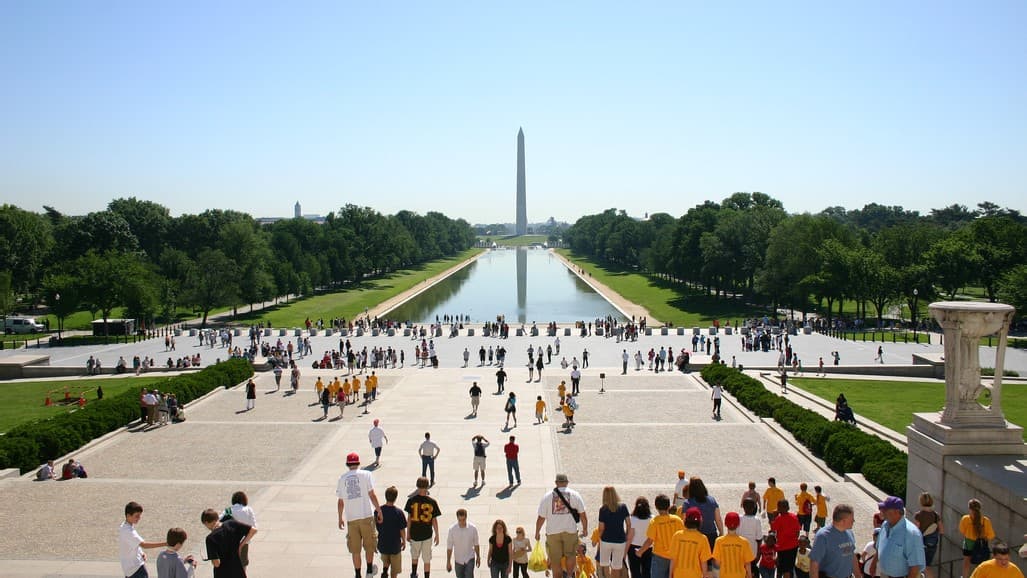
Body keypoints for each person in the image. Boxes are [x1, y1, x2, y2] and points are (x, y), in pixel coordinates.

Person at [338, 452, 385, 578]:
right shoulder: (366, 474)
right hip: (366, 516)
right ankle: (369, 571)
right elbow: (372, 495)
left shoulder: (342, 478)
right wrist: (379, 510)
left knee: (355, 550)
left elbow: (340, 501)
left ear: (347, 464)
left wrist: (340, 518)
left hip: (352, 519)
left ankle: (358, 574)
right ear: (358, 463)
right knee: (369, 546)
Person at [536, 474, 589, 578]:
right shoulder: (575, 495)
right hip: (570, 531)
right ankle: (569, 575)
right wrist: (585, 529)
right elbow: (583, 515)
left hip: (553, 532)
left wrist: (537, 532)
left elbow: (541, 517)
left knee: (555, 558)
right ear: (567, 482)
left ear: (556, 483)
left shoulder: (547, 496)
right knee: (570, 554)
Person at [874, 496, 925, 578]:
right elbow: (880, 546)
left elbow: (915, 567)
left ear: (897, 512)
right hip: (884, 574)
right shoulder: (885, 524)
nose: (882, 511)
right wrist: (873, 563)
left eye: (885, 509)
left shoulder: (912, 534)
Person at [808, 504, 860, 578]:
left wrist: (858, 575)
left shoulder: (849, 532)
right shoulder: (823, 536)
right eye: (852, 519)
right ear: (843, 521)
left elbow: (852, 555)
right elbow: (814, 563)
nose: (854, 521)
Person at [201, 507, 255, 578]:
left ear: (206, 522)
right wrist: (241, 545)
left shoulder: (210, 538)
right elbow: (253, 530)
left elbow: (216, 563)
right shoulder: (231, 523)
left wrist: (211, 558)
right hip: (237, 570)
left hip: (223, 574)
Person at [638, 494, 683, 578]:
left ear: (656, 507)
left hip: (660, 556)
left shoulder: (655, 521)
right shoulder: (677, 520)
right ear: (669, 506)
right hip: (675, 556)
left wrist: (640, 551)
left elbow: (649, 541)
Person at [405, 476, 442, 578]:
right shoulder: (432, 502)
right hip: (427, 534)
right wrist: (437, 534)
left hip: (415, 533)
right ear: (427, 487)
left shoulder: (411, 501)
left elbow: (409, 519)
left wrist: (408, 533)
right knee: (427, 559)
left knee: (414, 555)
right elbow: (434, 520)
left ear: (417, 486)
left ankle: (414, 573)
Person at [120, 502, 168, 578]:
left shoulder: (124, 526)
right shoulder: (128, 531)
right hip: (136, 569)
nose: (139, 518)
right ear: (128, 515)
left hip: (129, 569)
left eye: (140, 515)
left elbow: (133, 543)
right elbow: (144, 545)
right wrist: (166, 543)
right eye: (137, 516)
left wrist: (141, 553)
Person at [597, 486, 631, 578]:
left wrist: (599, 538)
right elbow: (628, 523)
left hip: (606, 540)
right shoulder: (623, 507)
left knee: (605, 565)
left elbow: (601, 528)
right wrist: (627, 535)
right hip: (620, 540)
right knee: (617, 566)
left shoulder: (603, 509)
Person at [668, 507, 712, 578]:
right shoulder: (702, 538)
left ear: (685, 520)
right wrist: (705, 575)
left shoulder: (677, 535)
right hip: (695, 575)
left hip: (678, 575)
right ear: (699, 521)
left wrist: (670, 575)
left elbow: (673, 558)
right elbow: (703, 561)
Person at [684, 477, 723, 552]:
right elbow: (718, 519)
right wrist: (721, 532)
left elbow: (684, 521)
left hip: (694, 537)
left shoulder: (688, 503)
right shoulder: (712, 500)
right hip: (711, 535)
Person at [378, 486, 409, 578]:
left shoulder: (379, 511)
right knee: (395, 569)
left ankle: (385, 571)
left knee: (385, 560)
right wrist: (404, 541)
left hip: (383, 542)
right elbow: (402, 529)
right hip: (395, 544)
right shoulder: (399, 513)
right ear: (395, 498)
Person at [960, 498, 996, 578]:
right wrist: (985, 537)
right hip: (981, 544)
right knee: (980, 563)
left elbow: (962, 530)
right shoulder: (985, 520)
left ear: (969, 508)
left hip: (968, 543)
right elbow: (991, 535)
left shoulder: (965, 519)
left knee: (966, 563)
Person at [713, 512, 755, 578]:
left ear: (725, 524)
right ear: (738, 524)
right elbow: (747, 563)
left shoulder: (719, 541)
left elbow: (717, 563)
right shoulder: (744, 542)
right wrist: (749, 575)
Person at [225, 491, 258, 568]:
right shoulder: (248, 509)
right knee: (243, 565)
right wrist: (243, 543)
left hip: (230, 542)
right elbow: (254, 527)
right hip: (244, 541)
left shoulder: (228, 510)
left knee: (231, 565)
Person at [914, 493, 943, 578]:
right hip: (932, 544)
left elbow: (915, 531)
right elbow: (942, 530)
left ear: (921, 502)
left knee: (918, 566)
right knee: (927, 566)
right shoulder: (936, 515)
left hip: (921, 544)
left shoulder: (919, 515)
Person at [769, 500, 800, 578]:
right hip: (793, 546)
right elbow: (798, 532)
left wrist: (773, 517)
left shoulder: (779, 519)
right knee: (789, 567)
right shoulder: (794, 517)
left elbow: (773, 528)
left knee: (783, 568)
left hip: (782, 547)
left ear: (778, 508)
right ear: (788, 507)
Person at [447, 509, 481, 578]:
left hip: (470, 558)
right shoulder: (452, 530)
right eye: (460, 520)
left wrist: (478, 556)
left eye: (463, 520)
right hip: (458, 560)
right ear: (457, 518)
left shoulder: (473, 528)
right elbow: (449, 547)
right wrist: (448, 561)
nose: (462, 522)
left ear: (466, 518)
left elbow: (476, 544)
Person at [626, 496, 653, 578]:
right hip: (648, 548)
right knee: (647, 572)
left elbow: (630, 537)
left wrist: (625, 551)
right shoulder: (652, 519)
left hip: (633, 548)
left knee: (635, 573)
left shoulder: (633, 519)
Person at [737, 500, 763, 578]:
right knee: (751, 573)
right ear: (754, 507)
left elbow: (736, 535)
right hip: (752, 554)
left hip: (740, 553)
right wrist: (758, 554)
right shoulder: (757, 520)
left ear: (743, 507)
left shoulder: (739, 518)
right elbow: (759, 539)